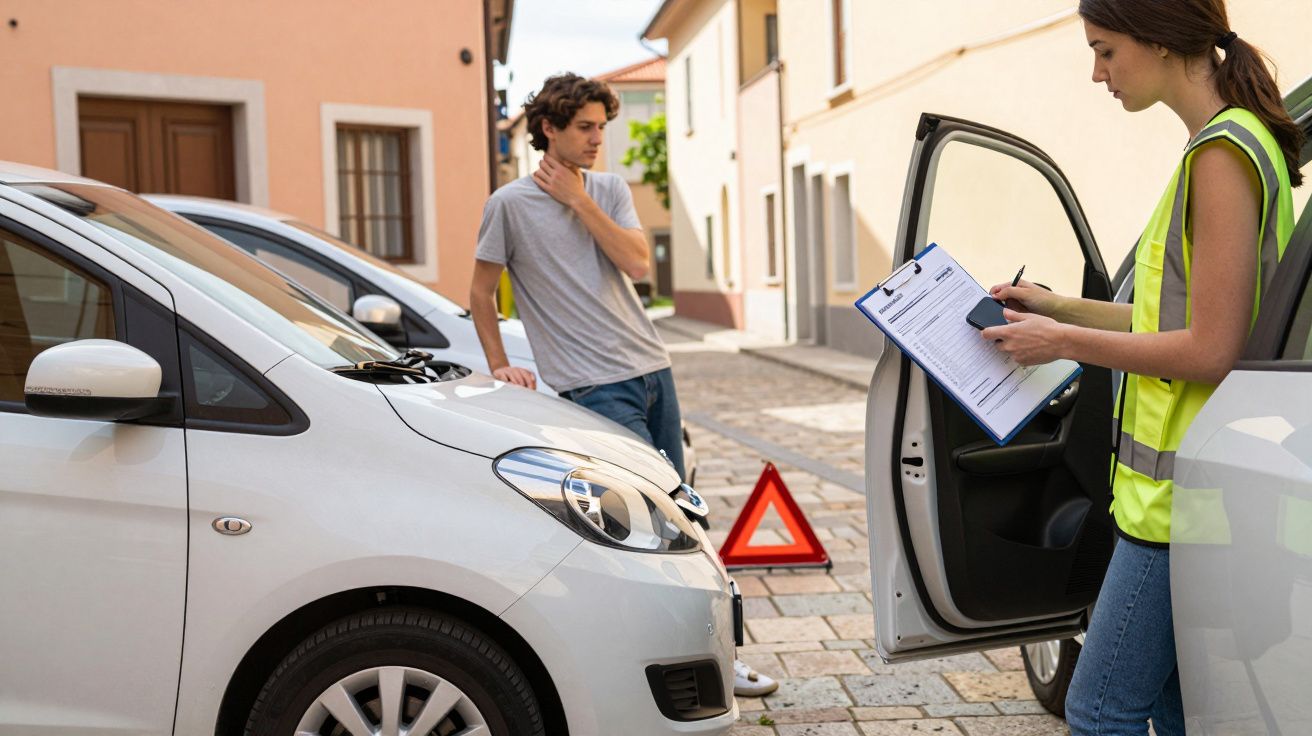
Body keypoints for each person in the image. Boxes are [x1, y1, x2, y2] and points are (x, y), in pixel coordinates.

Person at [982, 1, 1302, 733]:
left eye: (1105, 50)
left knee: (1099, 710)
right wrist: (1055, 308)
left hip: (1185, 507)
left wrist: (1061, 344)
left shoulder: (1220, 156)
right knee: (1175, 711)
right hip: (1185, 500)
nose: (1097, 73)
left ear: (1157, 40)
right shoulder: (1225, 145)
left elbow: (1211, 350)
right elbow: (1174, 319)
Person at [469, 72, 779, 698]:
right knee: (645, 526)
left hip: (652, 370)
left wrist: (580, 201)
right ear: (549, 128)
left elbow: (637, 262)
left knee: (684, 516)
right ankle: (660, 667)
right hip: (593, 387)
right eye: (584, 127)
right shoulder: (509, 205)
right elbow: (480, 293)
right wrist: (500, 363)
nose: (596, 139)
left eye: (601, 128)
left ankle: (720, 657)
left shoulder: (608, 189)